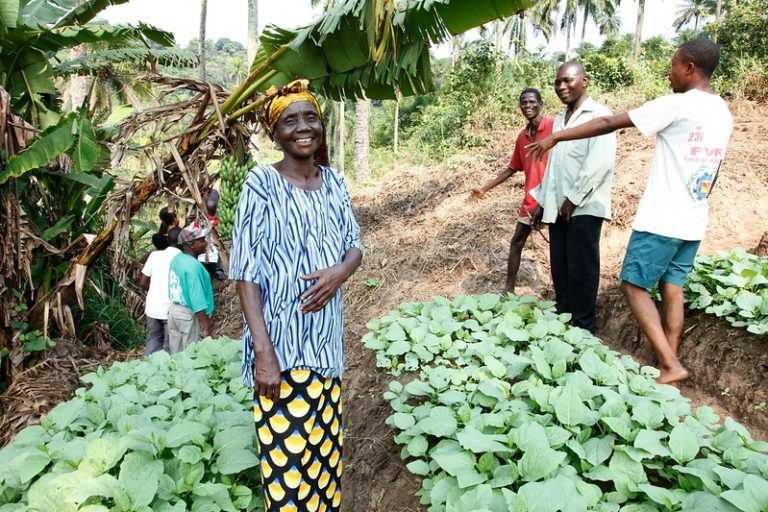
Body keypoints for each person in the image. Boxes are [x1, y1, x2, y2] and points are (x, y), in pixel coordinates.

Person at [526, 39, 733, 384]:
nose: (670, 73)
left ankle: (669, 365)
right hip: (694, 218)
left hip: (662, 217)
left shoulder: (676, 105)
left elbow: (610, 124)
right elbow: (717, 168)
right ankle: (669, 358)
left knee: (633, 285)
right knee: (673, 288)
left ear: (690, 68)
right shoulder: (721, 111)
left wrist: (557, 138)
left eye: (673, 66)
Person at [229, 79, 363, 512]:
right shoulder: (261, 183)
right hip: (282, 360)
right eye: (290, 120)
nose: (303, 127)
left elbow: (354, 245)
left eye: (311, 117)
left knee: (324, 475)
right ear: (275, 133)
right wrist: (264, 354)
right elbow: (246, 274)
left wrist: (339, 273)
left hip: (327, 353)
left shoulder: (336, 182)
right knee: (288, 482)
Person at [529, 61, 616, 333]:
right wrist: (542, 202)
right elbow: (554, 166)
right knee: (561, 265)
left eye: (568, 80)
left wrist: (574, 198)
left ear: (584, 80)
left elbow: (599, 163)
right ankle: (564, 320)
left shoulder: (600, 114)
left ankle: (583, 326)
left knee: (582, 267)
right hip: (558, 207)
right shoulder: (558, 119)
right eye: (557, 83)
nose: (562, 87)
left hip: (586, 206)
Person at [468, 88, 554, 294]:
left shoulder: (553, 126)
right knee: (516, 242)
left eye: (532, 102)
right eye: (523, 103)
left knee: (558, 247)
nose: (528, 106)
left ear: (541, 103)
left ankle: (558, 290)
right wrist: (484, 189)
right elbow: (512, 167)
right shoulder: (522, 137)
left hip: (554, 198)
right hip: (532, 200)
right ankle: (508, 289)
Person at [167, 224, 215, 353]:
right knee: (191, 356)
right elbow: (197, 299)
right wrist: (205, 327)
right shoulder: (193, 266)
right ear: (191, 244)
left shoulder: (177, 259)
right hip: (187, 314)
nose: (205, 243)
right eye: (202, 240)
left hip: (174, 311)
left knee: (176, 355)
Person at [138, 227, 182, 354]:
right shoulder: (182, 259)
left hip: (152, 307)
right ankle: (165, 372)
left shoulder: (154, 256)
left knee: (153, 339)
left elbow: (142, 282)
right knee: (169, 345)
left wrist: (154, 289)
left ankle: (146, 370)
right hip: (171, 309)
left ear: (168, 239)